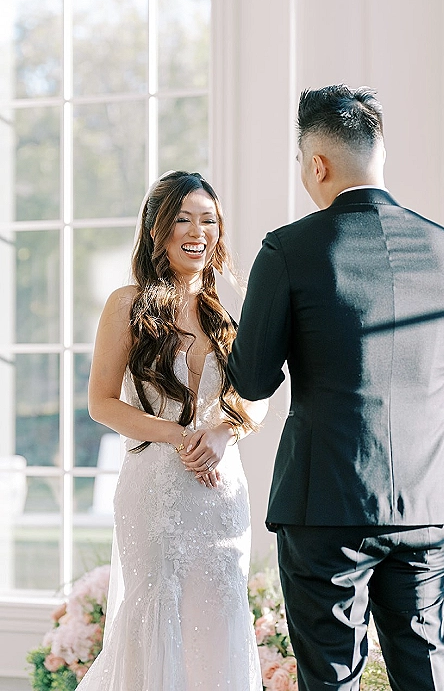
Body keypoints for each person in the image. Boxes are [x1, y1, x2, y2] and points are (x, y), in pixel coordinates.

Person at [226, 85, 444, 691]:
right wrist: (441, 469)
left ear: (317, 164)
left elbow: (253, 379)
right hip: (424, 506)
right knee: (427, 672)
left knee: (331, 678)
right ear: (379, 153)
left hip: (325, 504)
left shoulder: (288, 250)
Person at [78, 171, 266, 691]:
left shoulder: (231, 308)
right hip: (155, 490)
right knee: (156, 618)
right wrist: (176, 435)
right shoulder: (127, 303)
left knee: (220, 621)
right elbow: (101, 402)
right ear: (156, 229)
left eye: (209, 220)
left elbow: (261, 393)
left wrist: (225, 431)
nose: (198, 232)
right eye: (183, 219)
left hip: (222, 493)